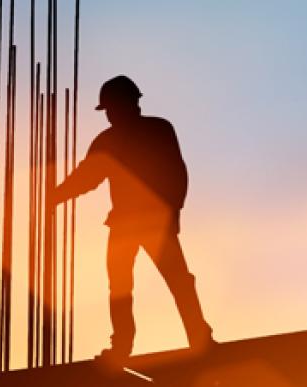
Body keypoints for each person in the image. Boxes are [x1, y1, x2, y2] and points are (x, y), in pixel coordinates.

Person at [50, 75, 215, 364]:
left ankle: (197, 337)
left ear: (127, 104)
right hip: (126, 223)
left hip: (150, 221)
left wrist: (172, 211)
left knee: (174, 282)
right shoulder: (112, 139)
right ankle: (125, 345)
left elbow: (176, 172)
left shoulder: (155, 130)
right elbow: (87, 177)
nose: (109, 115)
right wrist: (56, 196)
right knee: (124, 285)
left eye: (111, 108)